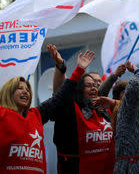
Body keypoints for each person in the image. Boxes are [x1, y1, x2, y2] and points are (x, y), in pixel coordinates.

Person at [0, 42, 80, 174]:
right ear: (9, 92)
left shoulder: (36, 114)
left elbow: (60, 99)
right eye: (20, 88)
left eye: (27, 89)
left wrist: (66, 67)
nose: (25, 92)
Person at [47, 45, 118, 174]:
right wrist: (60, 66)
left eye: (96, 85)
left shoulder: (105, 108)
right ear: (79, 89)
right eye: (88, 85)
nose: (94, 88)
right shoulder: (71, 109)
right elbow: (60, 94)